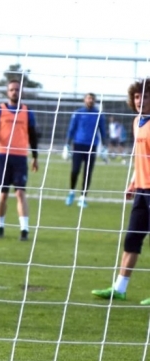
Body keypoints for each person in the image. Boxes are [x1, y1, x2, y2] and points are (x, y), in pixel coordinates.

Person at [92, 78, 150, 305]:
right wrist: (133, 182)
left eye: (145, 96)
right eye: (137, 96)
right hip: (142, 190)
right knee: (132, 239)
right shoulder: (137, 122)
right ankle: (119, 289)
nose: (140, 100)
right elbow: (140, 158)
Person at [0, 79, 39, 241]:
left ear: (21, 92)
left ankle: (24, 230)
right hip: (3, 154)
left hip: (20, 156)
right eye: (11, 89)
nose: (14, 92)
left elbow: (33, 136)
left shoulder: (27, 112)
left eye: (17, 89)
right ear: (7, 92)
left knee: (20, 192)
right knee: (3, 194)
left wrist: (35, 157)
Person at [63, 93, 107, 208]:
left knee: (88, 172)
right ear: (84, 100)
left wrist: (104, 147)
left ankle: (83, 197)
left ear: (95, 101)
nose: (90, 100)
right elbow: (71, 129)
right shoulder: (78, 113)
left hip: (92, 146)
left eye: (92, 99)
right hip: (78, 145)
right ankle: (71, 192)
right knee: (75, 170)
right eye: (88, 98)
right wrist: (67, 144)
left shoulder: (98, 114)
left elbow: (102, 131)